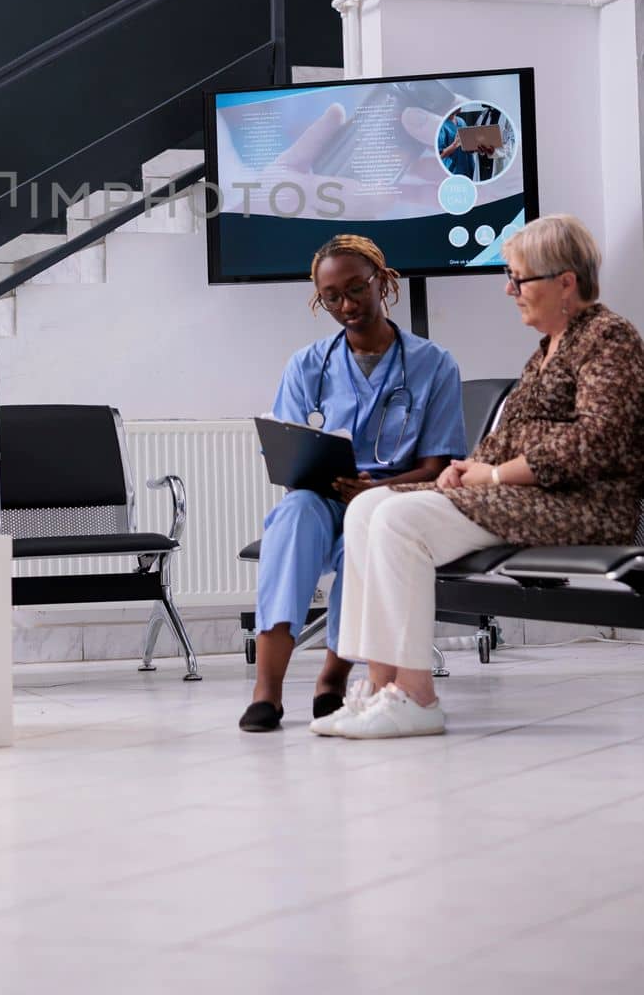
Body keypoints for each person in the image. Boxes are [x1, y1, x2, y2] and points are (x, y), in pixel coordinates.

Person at [319, 214, 644, 740]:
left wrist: (493, 475)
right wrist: (464, 470)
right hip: (531, 497)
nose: (509, 289)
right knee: (366, 508)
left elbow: (595, 441)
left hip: (582, 505)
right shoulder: (547, 350)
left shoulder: (608, 338)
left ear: (565, 282)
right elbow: (510, 437)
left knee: (401, 520)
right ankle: (379, 690)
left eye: (519, 278)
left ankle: (416, 697)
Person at [239, 236, 466, 732]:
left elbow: (437, 467)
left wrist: (377, 491)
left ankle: (332, 680)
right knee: (293, 516)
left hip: (393, 499)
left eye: (357, 289)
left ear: (383, 282)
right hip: (319, 498)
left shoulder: (434, 365)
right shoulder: (306, 365)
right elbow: (287, 445)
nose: (346, 305)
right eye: (332, 297)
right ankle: (267, 692)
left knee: (367, 531)